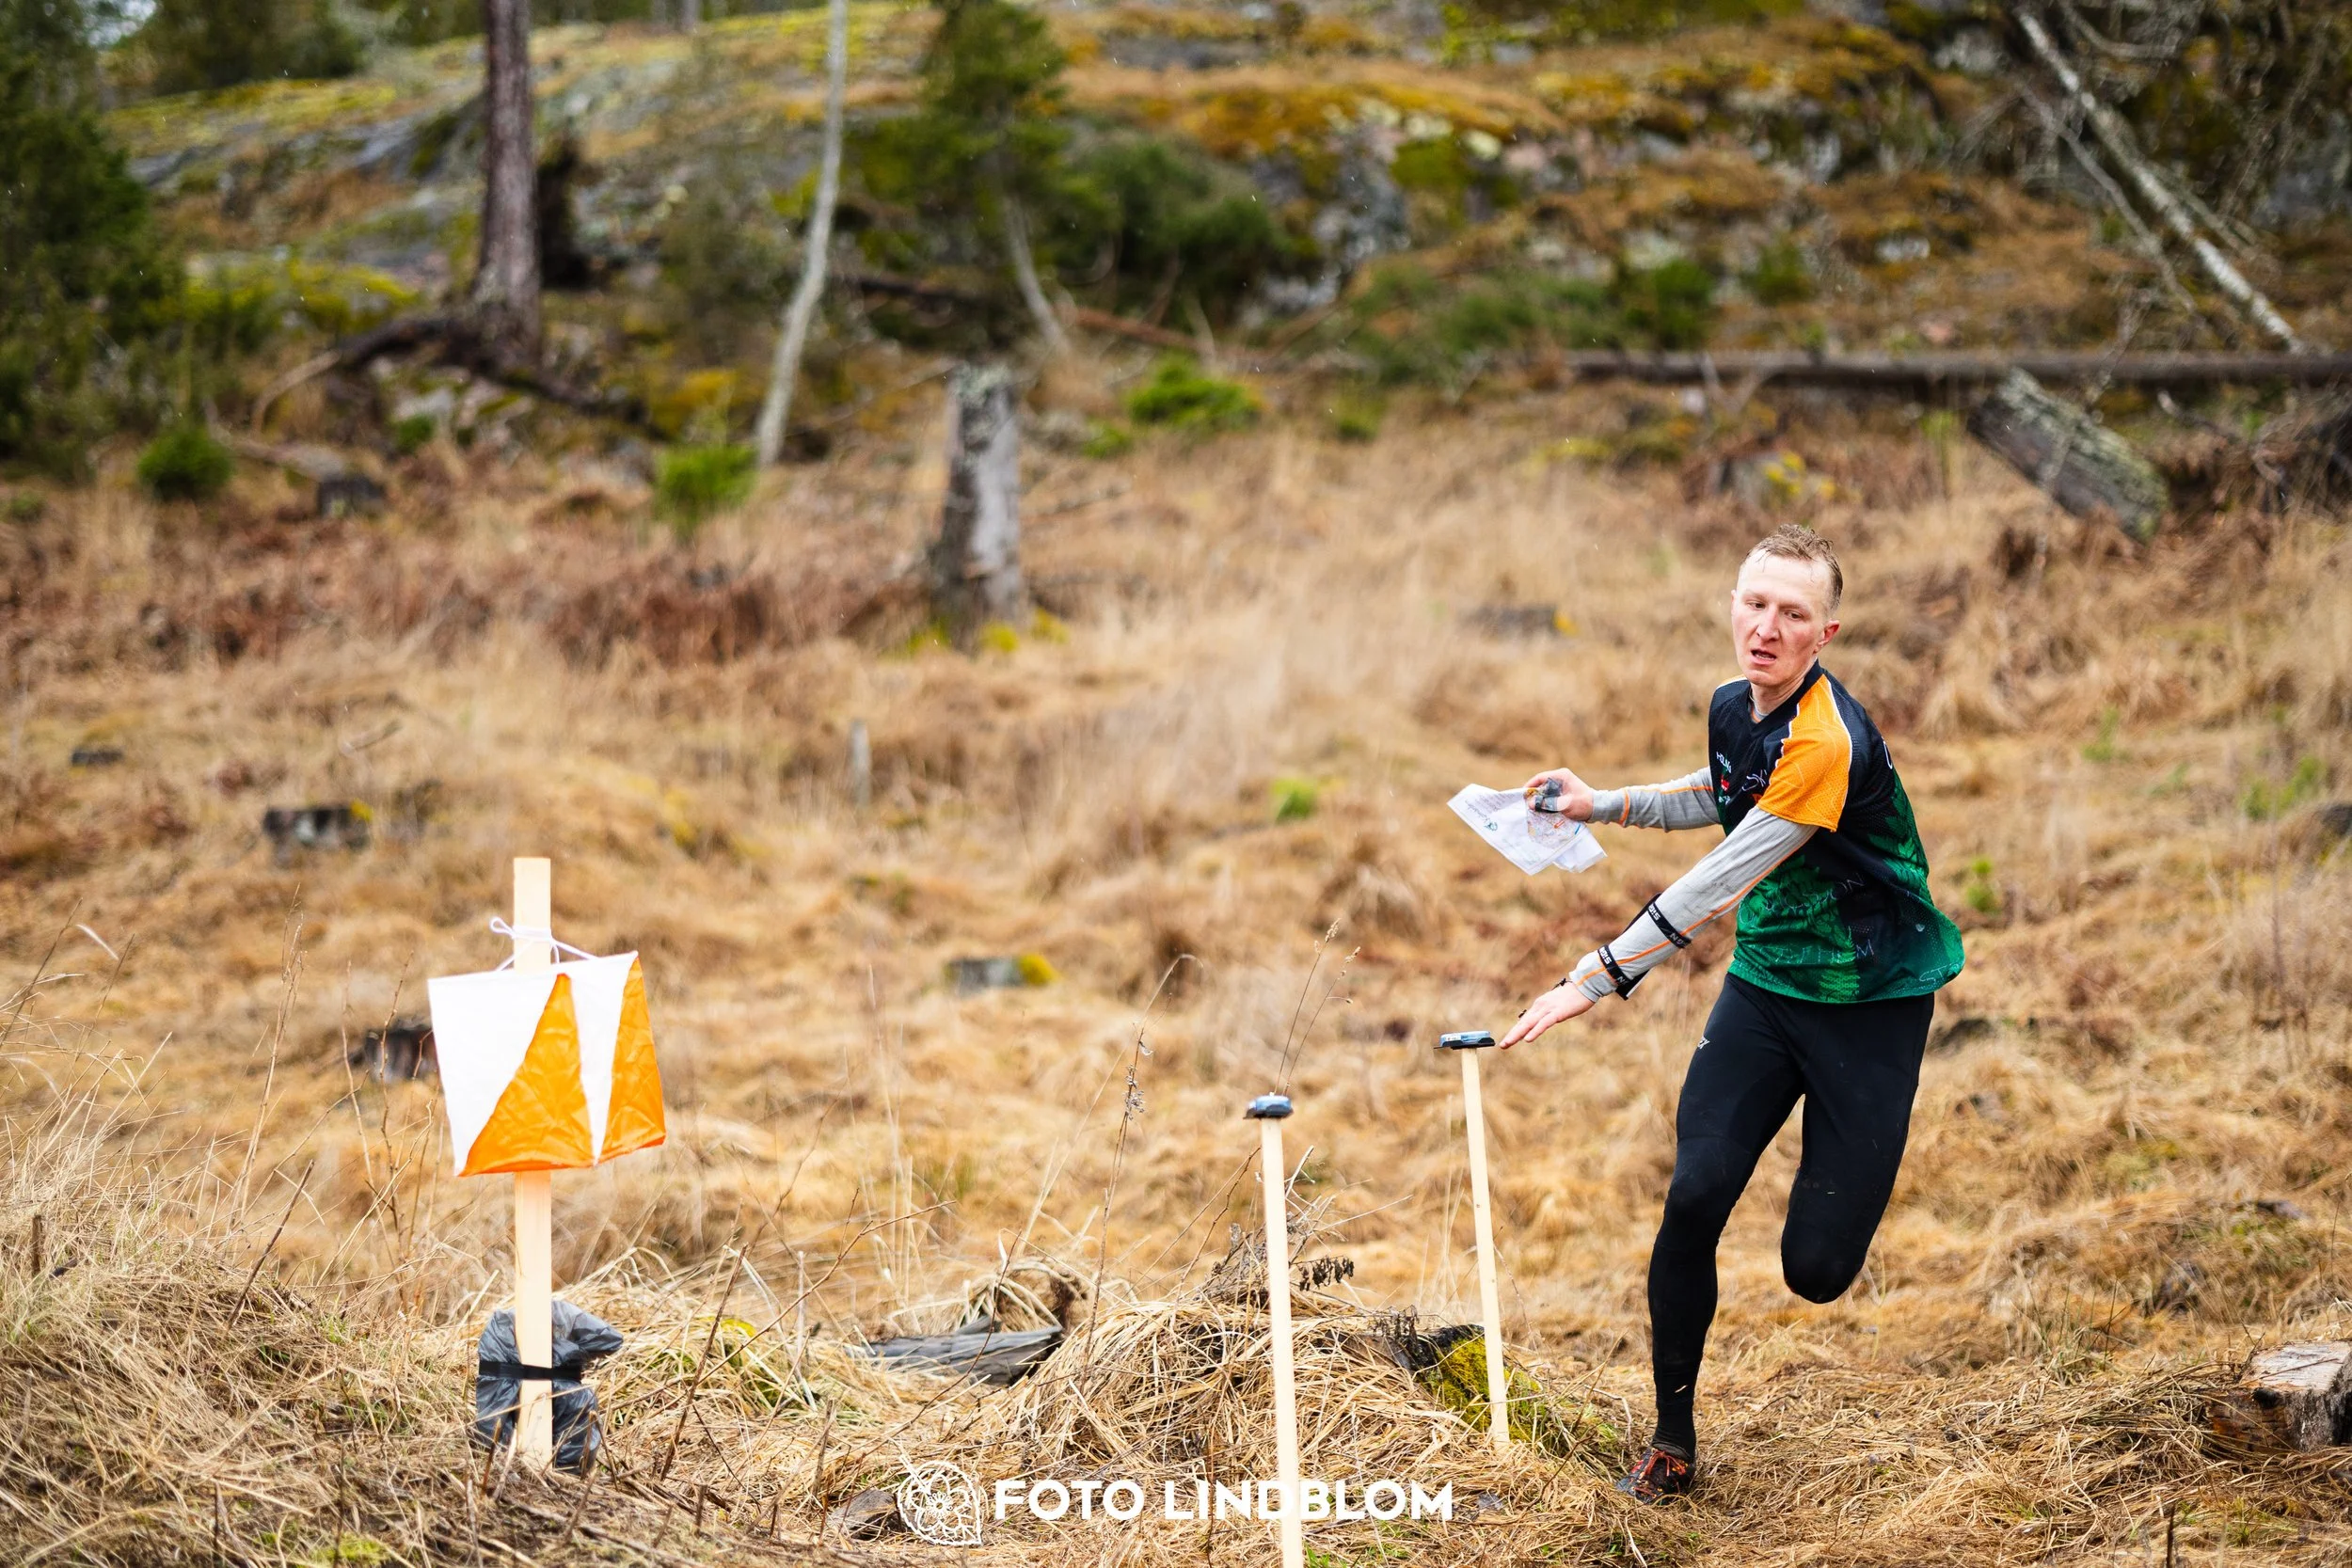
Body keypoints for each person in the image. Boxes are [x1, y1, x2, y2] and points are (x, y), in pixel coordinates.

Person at [1498, 524, 1964, 1503]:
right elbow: (1718, 802)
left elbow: (1719, 877)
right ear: (1732, 604)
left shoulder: (1827, 740)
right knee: (1694, 1193)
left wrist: (1591, 976)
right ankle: (1671, 1440)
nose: (1765, 625)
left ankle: (1847, 1172)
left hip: (1870, 1002)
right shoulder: (1732, 706)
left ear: (1823, 632)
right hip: (1765, 987)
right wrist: (1602, 803)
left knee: (1816, 1269)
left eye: (1791, 613)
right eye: (1753, 602)